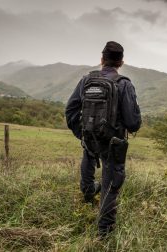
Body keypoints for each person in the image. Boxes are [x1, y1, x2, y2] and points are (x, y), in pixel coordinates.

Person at [65, 41, 141, 237]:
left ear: (101, 60)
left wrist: (82, 133)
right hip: (113, 143)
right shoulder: (124, 84)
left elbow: (71, 110)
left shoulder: (86, 80)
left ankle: (88, 192)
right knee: (110, 187)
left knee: (89, 158)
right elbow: (133, 123)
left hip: (90, 137)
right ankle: (104, 233)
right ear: (121, 62)